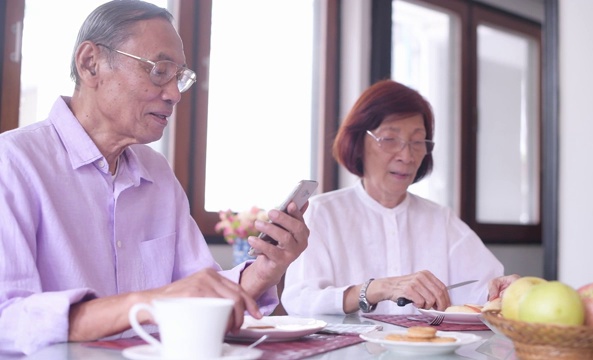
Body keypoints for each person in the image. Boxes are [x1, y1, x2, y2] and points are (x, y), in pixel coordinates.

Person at [0, 1, 308, 355]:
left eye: (179, 77)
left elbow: (196, 291)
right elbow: (6, 318)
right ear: (90, 63)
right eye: (160, 70)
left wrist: (266, 269)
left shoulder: (157, 173)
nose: (175, 94)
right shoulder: (13, 163)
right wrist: (150, 301)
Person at [281, 79, 518, 316]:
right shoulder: (323, 212)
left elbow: (485, 291)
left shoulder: (439, 219)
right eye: (389, 139)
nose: (406, 155)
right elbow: (300, 301)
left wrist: (508, 290)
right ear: (358, 142)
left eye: (417, 142)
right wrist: (374, 289)